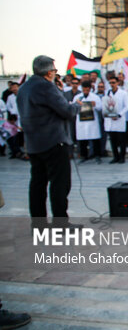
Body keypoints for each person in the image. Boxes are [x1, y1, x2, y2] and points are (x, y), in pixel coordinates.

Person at [15, 55, 81, 229]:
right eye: (54, 70)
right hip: (53, 142)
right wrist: (77, 105)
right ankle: (61, 223)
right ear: (49, 72)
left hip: (34, 144)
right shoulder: (46, 87)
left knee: (37, 185)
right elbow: (66, 110)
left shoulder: (23, 89)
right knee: (59, 184)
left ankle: (38, 225)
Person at [73, 80, 103, 164]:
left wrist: (95, 105)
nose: (85, 90)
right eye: (84, 89)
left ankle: (97, 156)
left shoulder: (95, 97)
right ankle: (84, 156)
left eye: (87, 88)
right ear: (82, 88)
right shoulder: (77, 97)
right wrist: (77, 104)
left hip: (92, 121)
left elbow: (100, 108)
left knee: (95, 139)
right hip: (81, 121)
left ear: (90, 88)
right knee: (83, 140)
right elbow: (73, 108)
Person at [103, 77, 128, 163]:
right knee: (113, 140)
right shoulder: (107, 93)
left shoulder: (123, 93)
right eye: (110, 83)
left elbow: (127, 106)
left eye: (113, 82)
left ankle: (122, 157)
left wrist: (119, 115)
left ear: (117, 83)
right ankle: (116, 156)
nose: (112, 84)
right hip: (110, 120)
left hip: (119, 120)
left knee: (122, 141)